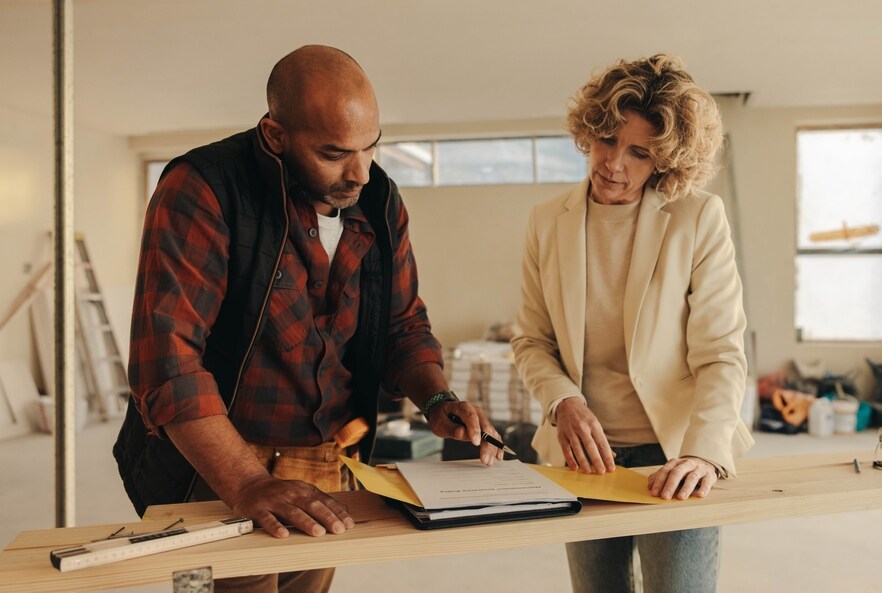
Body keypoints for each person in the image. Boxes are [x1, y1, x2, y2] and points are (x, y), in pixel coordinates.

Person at [113, 45, 502, 593]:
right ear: (275, 136)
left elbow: (402, 325)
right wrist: (248, 482)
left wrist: (437, 399)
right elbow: (167, 360)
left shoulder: (380, 201)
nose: (360, 173)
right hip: (217, 462)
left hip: (326, 460)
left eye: (372, 147)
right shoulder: (202, 188)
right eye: (334, 152)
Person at [511, 54, 754, 593]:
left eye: (638, 152)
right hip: (581, 458)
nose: (613, 163)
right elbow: (531, 340)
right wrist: (562, 402)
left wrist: (702, 453)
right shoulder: (546, 220)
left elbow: (720, 353)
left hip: (673, 454)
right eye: (606, 140)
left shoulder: (699, 218)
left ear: (665, 161)